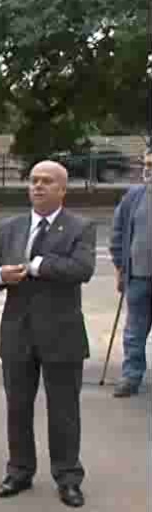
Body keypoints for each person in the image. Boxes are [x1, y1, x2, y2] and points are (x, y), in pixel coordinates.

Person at [0, 160, 96, 508]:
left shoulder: (80, 227)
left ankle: (68, 476)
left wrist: (38, 265)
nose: (38, 186)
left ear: (62, 189)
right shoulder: (11, 227)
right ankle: (19, 471)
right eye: (33, 181)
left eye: (47, 181)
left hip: (62, 333)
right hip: (18, 332)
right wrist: (0, 275)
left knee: (64, 410)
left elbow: (82, 268)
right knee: (17, 407)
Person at [109, 148, 151, 398]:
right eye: (146, 164)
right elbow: (118, 232)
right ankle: (131, 376)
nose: (148, 170)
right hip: (138, 276)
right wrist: (120, 266)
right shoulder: (134, 196)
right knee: (134, 331)